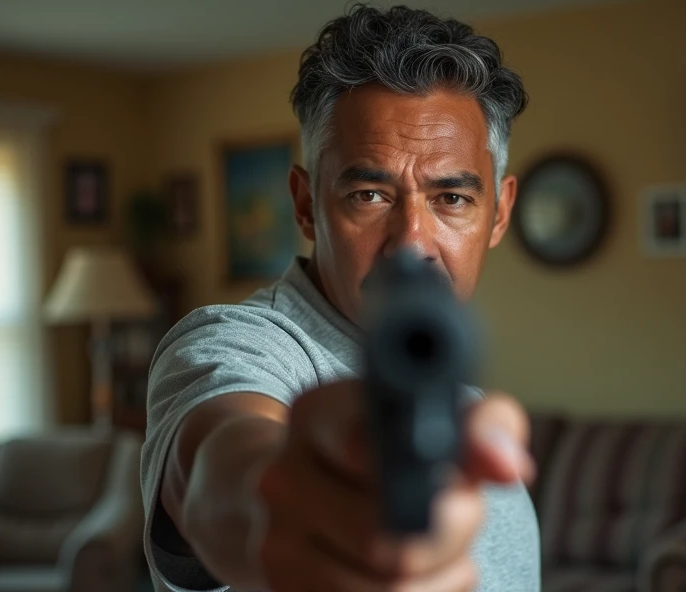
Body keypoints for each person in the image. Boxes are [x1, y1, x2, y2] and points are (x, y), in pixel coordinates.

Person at [141, 4, 540, 591]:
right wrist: (275, 499)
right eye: (370, 194)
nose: (411, 243)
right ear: (305, 204)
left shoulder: (454, 390)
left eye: (451, 199)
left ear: (500, 212)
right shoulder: (239, 343)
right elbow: (212, 468)